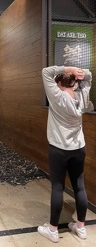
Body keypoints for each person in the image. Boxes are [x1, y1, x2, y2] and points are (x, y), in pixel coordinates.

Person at [38, 66, 93, 243]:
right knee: (79, 186)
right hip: (78, 149)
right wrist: (81, 73)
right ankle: (81, 228)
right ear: (75, 82)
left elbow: (46, 71)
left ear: (59, 83)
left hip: (59, 149)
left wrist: (67, 68)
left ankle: (53, 230)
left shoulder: (57, 96)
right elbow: (89, 76)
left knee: (57, 187)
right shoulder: (83, 95)